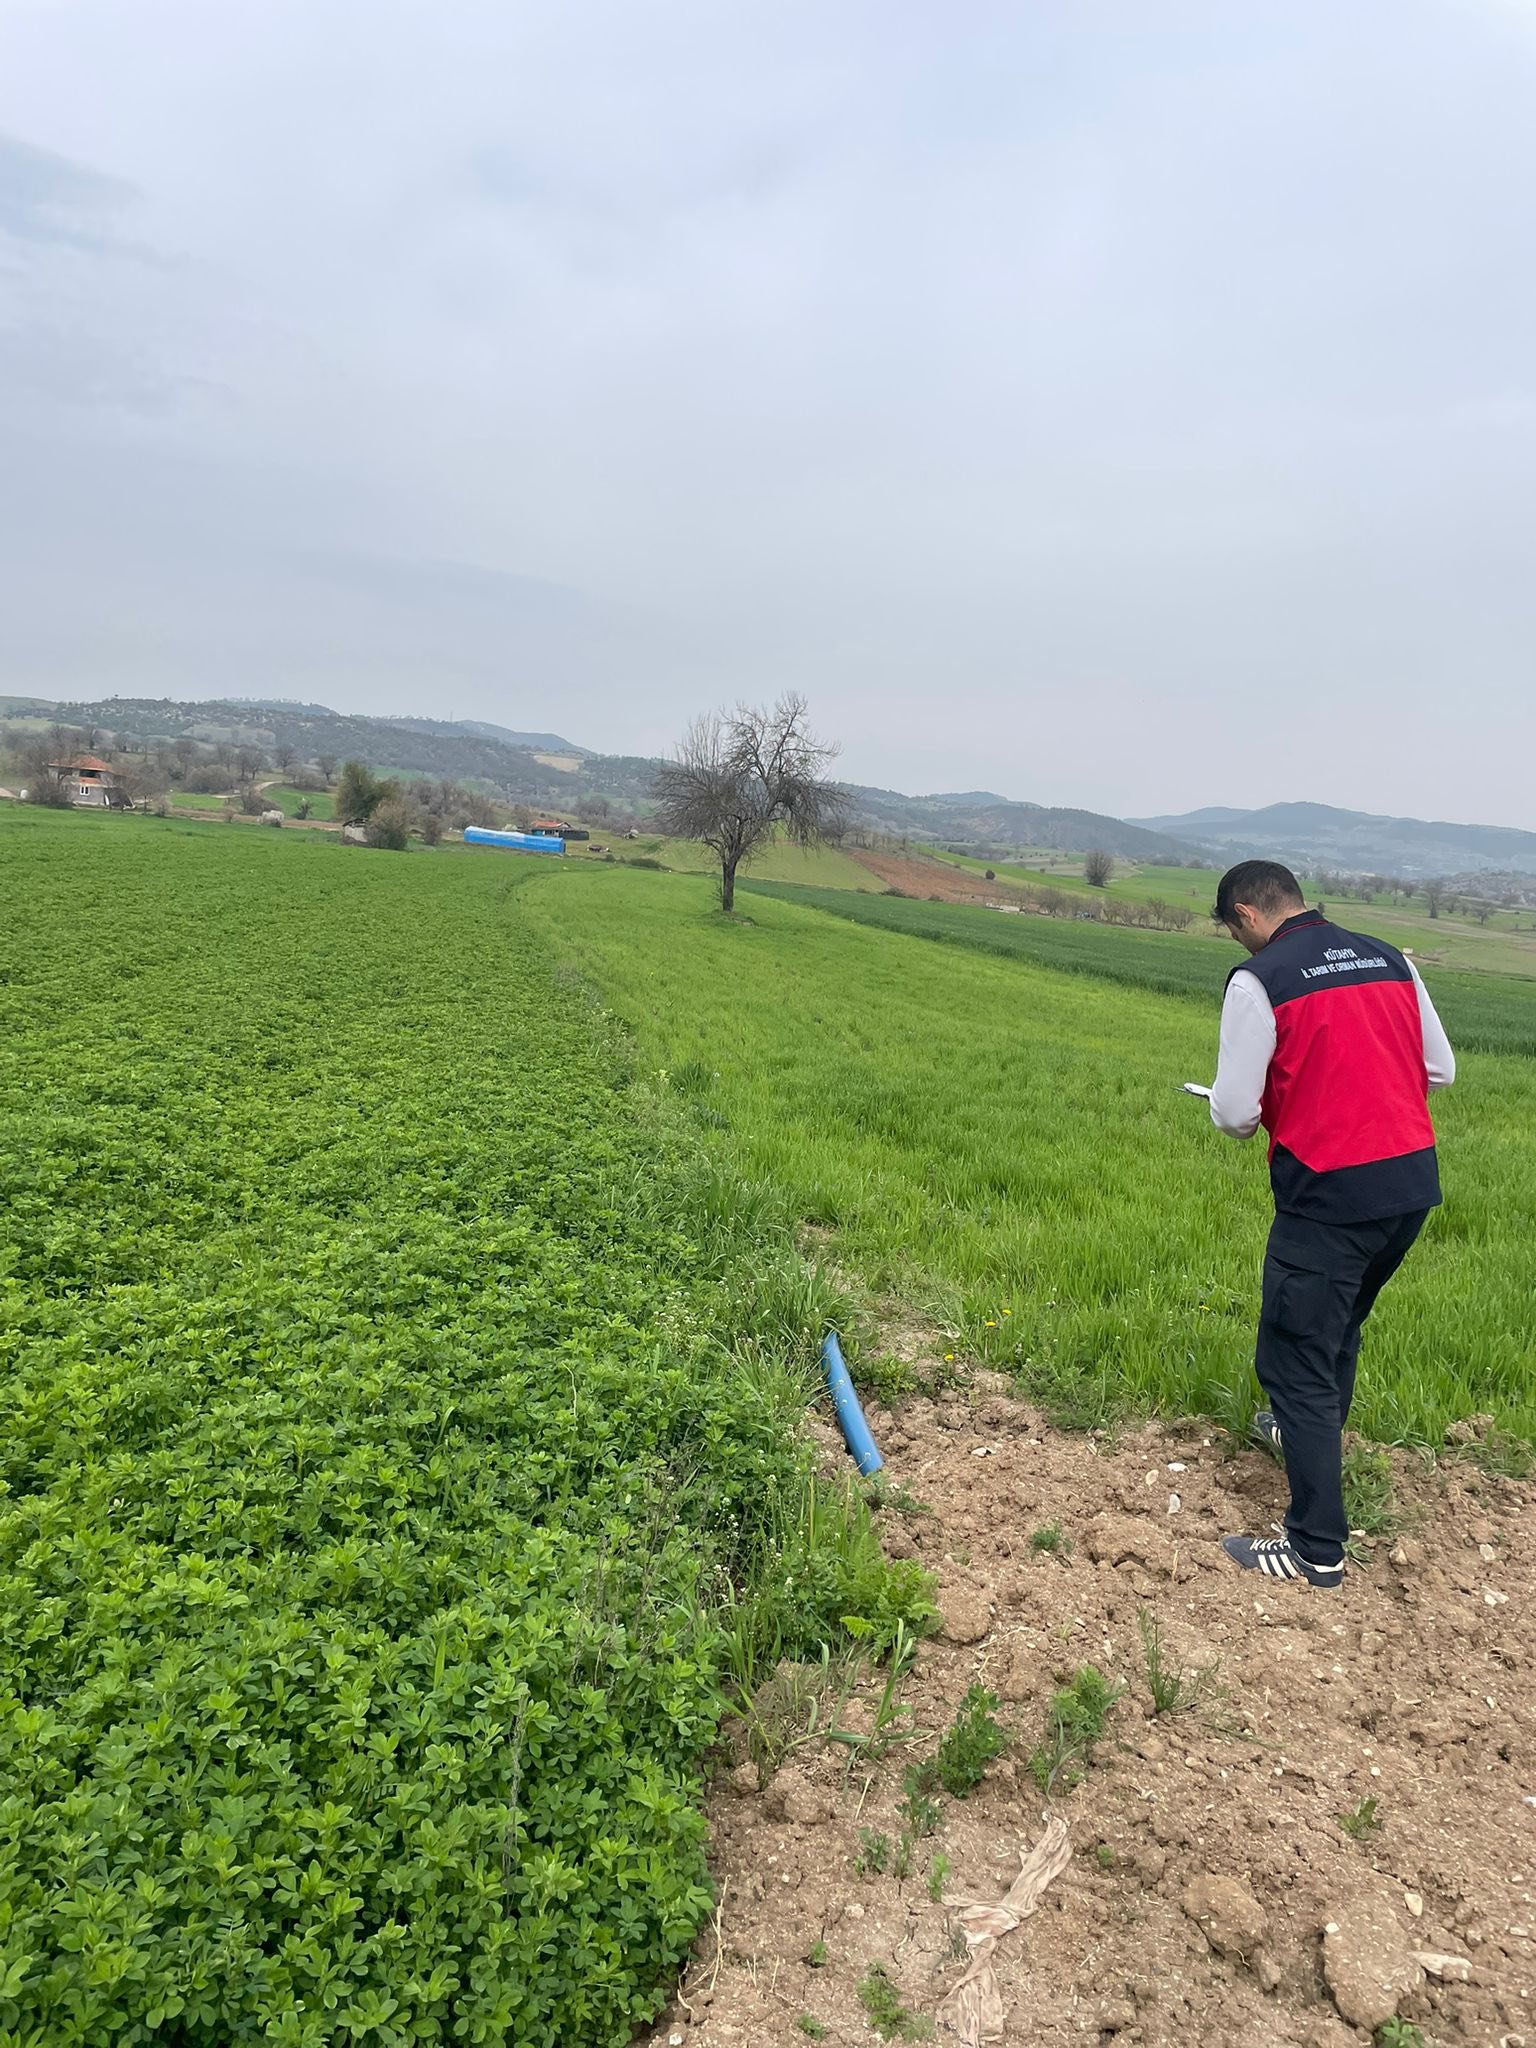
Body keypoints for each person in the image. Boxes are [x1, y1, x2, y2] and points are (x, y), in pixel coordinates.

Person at [1206, 860, 1455, 1587]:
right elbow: (1438, 1069)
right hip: (1408, 1185)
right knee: (1338, 1329)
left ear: (1247, 915)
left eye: (1231, 927)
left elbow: (1233, 1114)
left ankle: (1316, 1547)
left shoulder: (1260, 980)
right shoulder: (1388, 957)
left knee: (1295, 1357)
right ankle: (1295, 1433)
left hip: (1328, 1196)